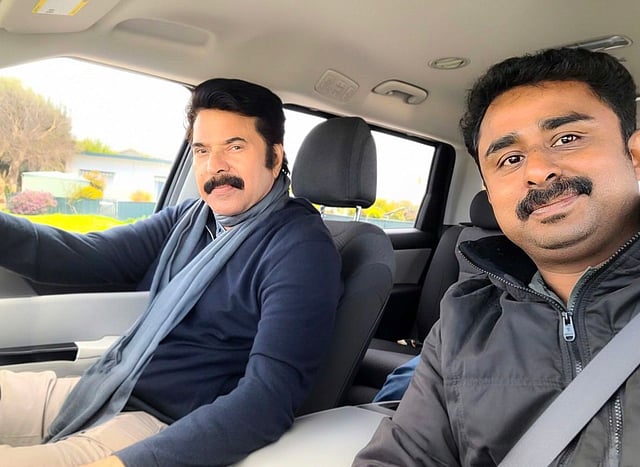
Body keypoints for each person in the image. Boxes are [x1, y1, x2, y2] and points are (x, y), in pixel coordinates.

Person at [0, 78, 342, 467]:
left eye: (234, 147)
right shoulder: (192, 219)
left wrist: (123, 464)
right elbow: (84, 256)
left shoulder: (300, 249)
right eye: (202, 150)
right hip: (105, 390)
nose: (215, 166)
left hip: (161, 428)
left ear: (274, 156)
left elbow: (266, 400)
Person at [353, 46, 640, 466]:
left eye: (566, 138)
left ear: (635, 156)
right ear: (491, 196)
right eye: (510, 159)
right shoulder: (463, 320)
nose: (537, 171)